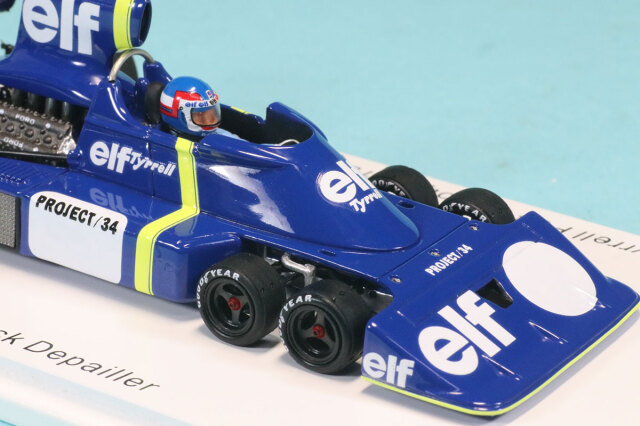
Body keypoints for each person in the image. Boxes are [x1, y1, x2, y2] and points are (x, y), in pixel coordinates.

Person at [159, 76, 242, 140]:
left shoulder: (222, 135)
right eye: (200, 115)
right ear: (180, 117)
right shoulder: (163, 143)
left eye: (212, 113)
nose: (209, 120)